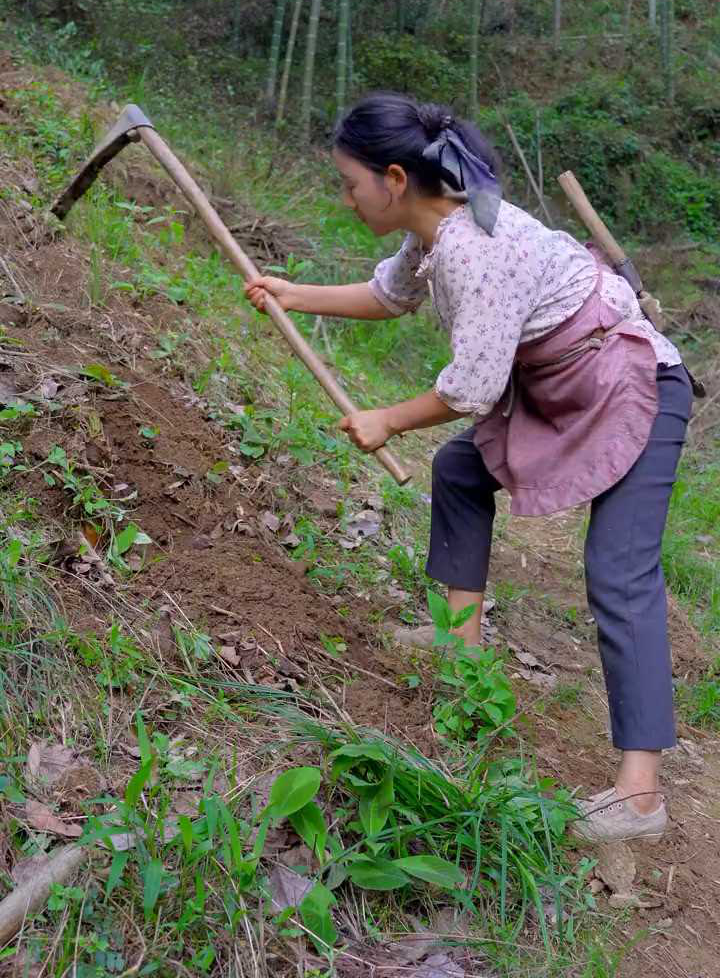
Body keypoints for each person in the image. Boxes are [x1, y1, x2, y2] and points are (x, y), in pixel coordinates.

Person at [245, 91, 692, 844]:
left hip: (632, 388)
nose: (345, 198)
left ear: (393, 178)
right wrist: (295, 294)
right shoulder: (435, 228)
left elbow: (473, 387)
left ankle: (641, 795)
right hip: (560, 384)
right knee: (459, 470)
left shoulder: (472, 245)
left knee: (619, 572)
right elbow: (389, 296)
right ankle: (461, 644)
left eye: (348, 185)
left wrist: (386, 417)